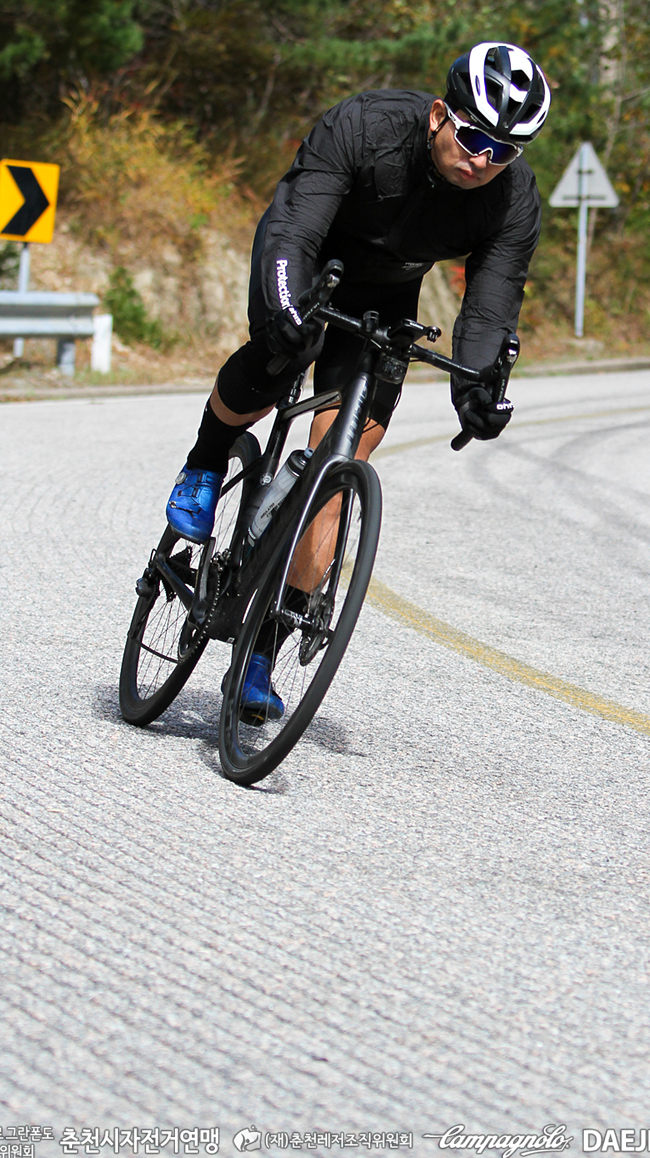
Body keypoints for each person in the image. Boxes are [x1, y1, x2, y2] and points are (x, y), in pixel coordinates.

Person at [165, 40, 550, 712]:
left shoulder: (511, 198)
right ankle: (203, 464)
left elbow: (491, 306)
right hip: (311, 255)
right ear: (440, 116)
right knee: (282, 351)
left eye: (503, 151)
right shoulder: (366, 125)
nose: (483, 160)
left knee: (343, 459)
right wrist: (287, 308)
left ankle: (260, 654)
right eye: (473, 138)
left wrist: (477, 389)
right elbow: (294, 228)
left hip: (389, 293)